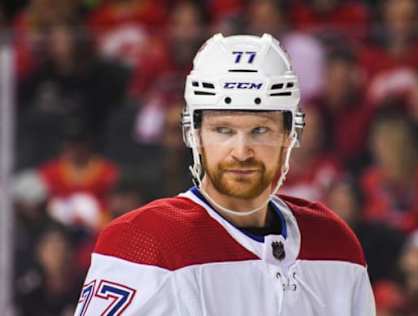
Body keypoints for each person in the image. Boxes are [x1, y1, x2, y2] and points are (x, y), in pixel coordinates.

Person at [74, 33, 375, 315]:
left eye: (260, 130)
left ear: (289, 136)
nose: (242, 151)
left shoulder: (335, 243)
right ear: (195, 136)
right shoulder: (144, 242)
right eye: (223, 130)